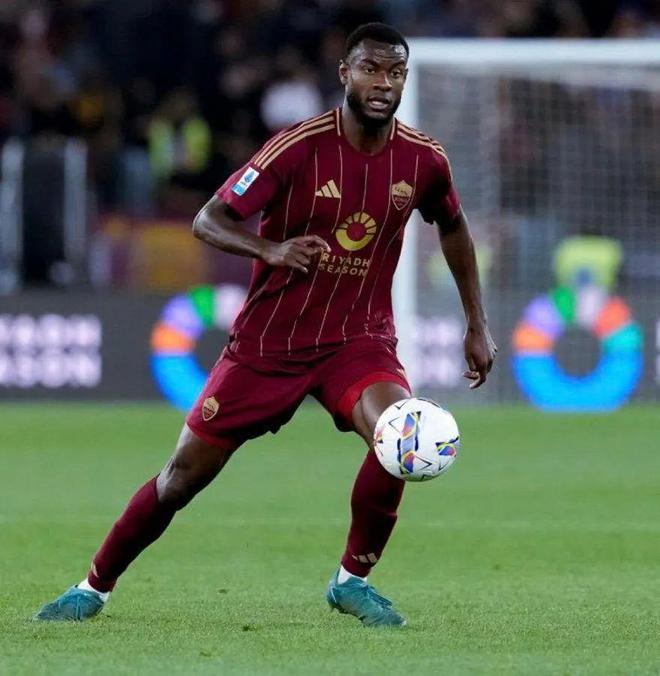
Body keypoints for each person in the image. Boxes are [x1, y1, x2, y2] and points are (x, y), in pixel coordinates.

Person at [36, 23, 497, 628]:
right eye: (370, 69)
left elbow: (454, 227)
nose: (383, 83)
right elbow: (209, 219)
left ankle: (352, 581)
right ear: (345, 74)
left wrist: (476, 323)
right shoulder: (297, 147)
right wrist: (270, 249)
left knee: (398, 436)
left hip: (357, 340)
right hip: (269, 344)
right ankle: (93, 587)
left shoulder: (424, 159)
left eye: (395, 73)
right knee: (180, 479)